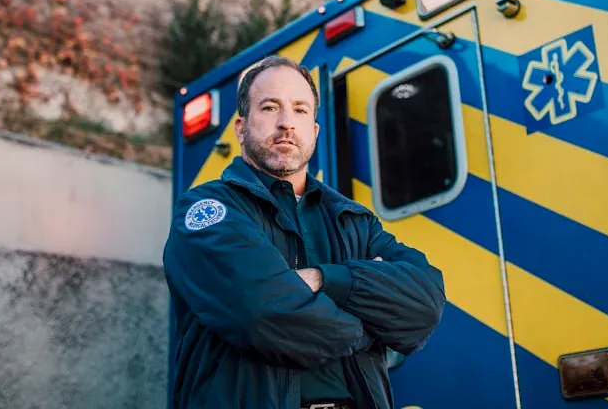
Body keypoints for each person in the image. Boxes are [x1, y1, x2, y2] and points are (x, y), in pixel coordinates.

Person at [162, 56, 446, 409]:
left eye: (299, 110)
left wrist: (324, 279)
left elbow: (424, 306)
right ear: (240, 127)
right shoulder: (206, 210)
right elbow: (263, 315)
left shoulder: (352, 218)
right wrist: (371, 327)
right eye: (269, 107)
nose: (286, 123)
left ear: (314, 129)